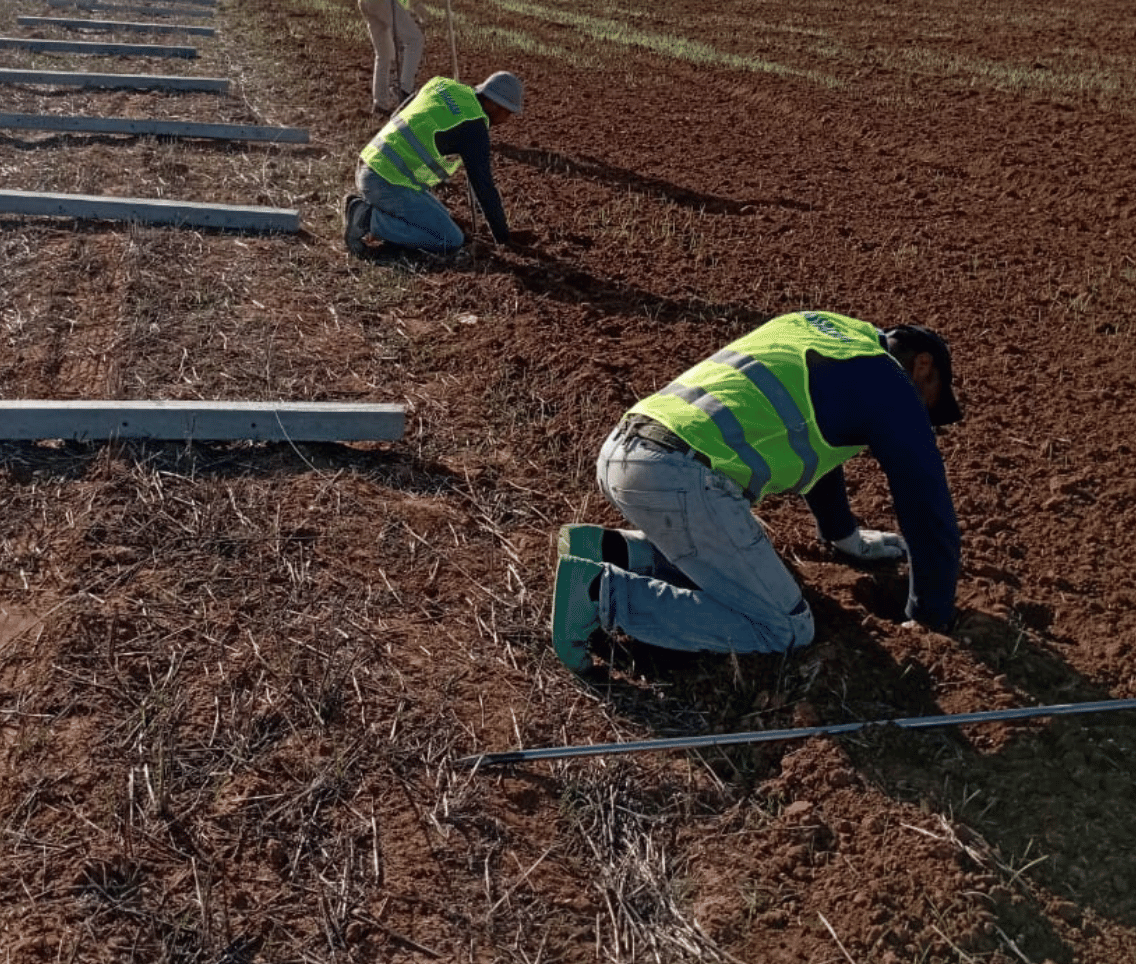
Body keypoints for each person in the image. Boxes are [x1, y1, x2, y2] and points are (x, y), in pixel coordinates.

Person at [552, 311, 964, 677]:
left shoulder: (826, 330)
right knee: (785, 627)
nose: (923, 417)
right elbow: (924, 503)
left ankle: (608, 550)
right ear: (922, 366)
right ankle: (597, 592)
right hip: (682, 478)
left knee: (725, 569)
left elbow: (821, 450)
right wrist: (929, 617)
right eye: (930, 403)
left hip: (626, 451)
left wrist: (845, 537)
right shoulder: (890, 383)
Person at [343, 71, 525, 257]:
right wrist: (502, 237)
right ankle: (367, 219)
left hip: (371, 161)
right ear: (494, 104)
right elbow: (484, 187)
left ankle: (374, 211)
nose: (507, 119)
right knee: (450, 238)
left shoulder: (444, 85)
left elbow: (400, 112)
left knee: (443, 218)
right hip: (386, 182)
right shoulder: (474, 128)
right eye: (508, 112)